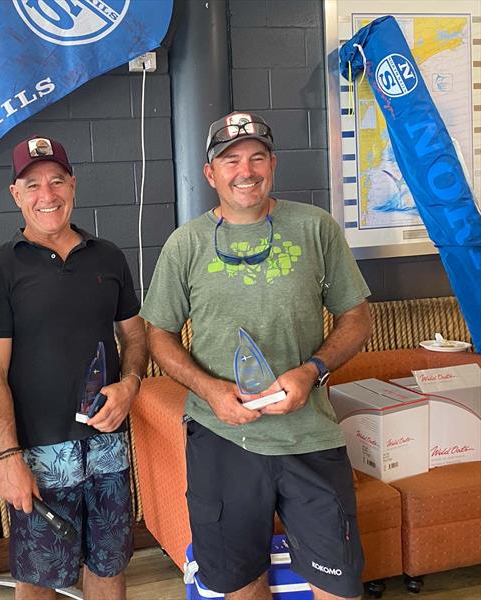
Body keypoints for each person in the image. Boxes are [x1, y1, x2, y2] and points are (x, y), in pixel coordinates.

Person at [140, 112, 372, 600]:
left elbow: (355, 319)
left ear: (273, 164)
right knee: (238, 585)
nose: (245, 170)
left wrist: (313, 371)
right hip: (223, 438)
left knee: (341, 586)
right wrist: (209, 390)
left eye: (256, 157)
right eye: (230, 160)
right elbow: (158, 332)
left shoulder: (316, 228)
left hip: (308, 435)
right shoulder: (186, 244)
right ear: (210, 173)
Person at [0, 135, 148, 600]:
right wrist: (7, 458)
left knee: (109, 565)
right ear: (15, 194)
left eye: (56, 181)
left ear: (73, 184)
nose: (46, 195)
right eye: (32, 185)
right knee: (39, 577)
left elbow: (134, 335)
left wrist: (130, 384)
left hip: (108, 446)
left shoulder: (108, 256)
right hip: (39, 456)